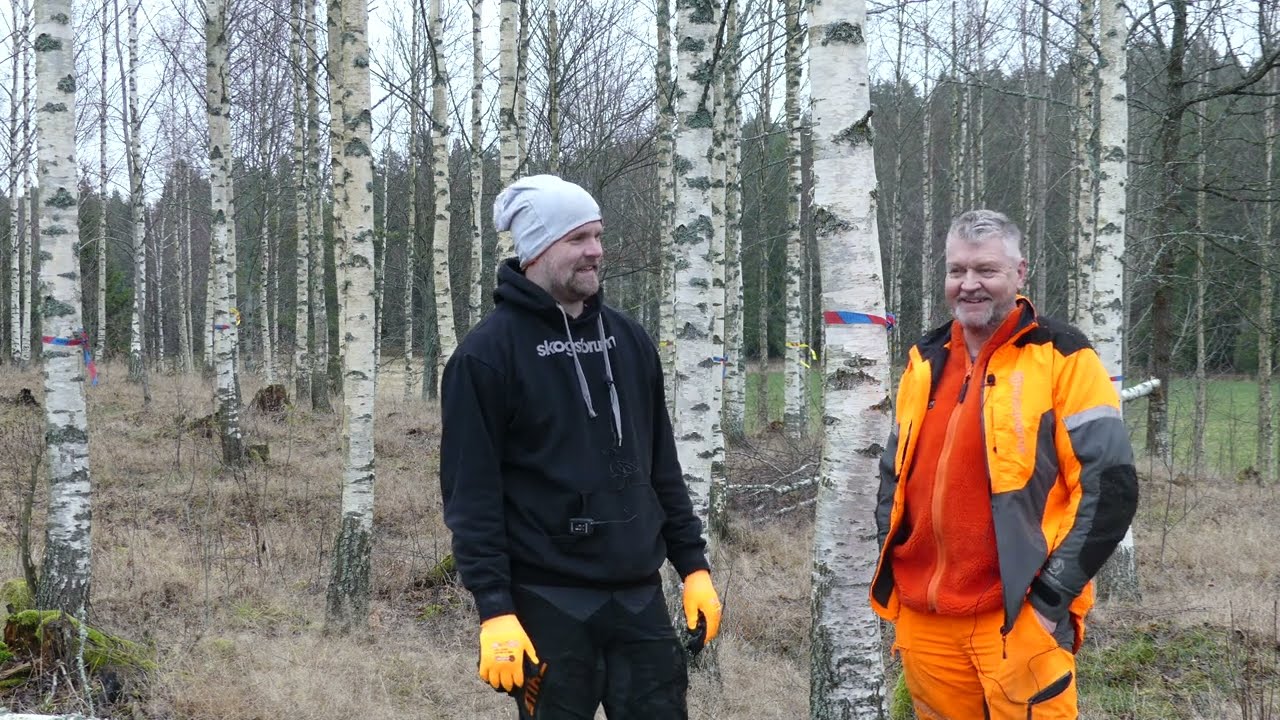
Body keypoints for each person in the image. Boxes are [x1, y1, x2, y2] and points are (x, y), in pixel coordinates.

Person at [440, 174, 722, 719]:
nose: (595, 250)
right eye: (577, 238)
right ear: (536, 249)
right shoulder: (485, 358)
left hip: (640, 598)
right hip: (547, 602)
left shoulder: (630, 340)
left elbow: (660, 465)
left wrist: (693, 568)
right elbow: (471, 499)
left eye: (597, 235)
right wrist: (494, 610)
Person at [870, 210, 1139, 719]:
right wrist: (896, 545)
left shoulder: (1063, 355)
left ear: (1019, 274)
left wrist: (1051, 597)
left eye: (986, 270)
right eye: (957, 271)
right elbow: (894, 470)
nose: (969, 285)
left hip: (1018, 618)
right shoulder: (924, 360)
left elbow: (1111, 489)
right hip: (926, 619)